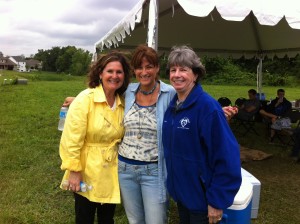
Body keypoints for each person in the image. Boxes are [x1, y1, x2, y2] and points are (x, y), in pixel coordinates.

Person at [61, 45, 239, 224]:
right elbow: (105, 98)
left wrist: (218, 111)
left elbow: (194, 105)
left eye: (149, 67)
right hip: (125, 169)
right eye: (139, 67)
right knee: (135, 220)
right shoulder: (128, 92)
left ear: (157, 69)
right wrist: (78, 100)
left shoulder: (170, 92)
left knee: (156, 220)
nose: (144, 72)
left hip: (153, 170)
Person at [162, 45, 242, 224]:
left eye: (183, 69)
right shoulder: (173, 106)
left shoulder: (208, 108)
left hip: (203, 200)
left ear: (195, 74)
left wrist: (216, 201)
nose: (177, 74)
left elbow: (227, 157)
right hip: (183, 195)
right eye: (173, 70)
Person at [59, 52, 131, 224]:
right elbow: (71, 139)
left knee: (107, 218)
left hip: (111, 170)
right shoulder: (85, 99)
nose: (114, 76)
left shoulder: (122, 102)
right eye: (110, 71)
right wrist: (74, 171)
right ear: (100, 73)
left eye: (119, 72)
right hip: (87, 170)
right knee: (85, 217)